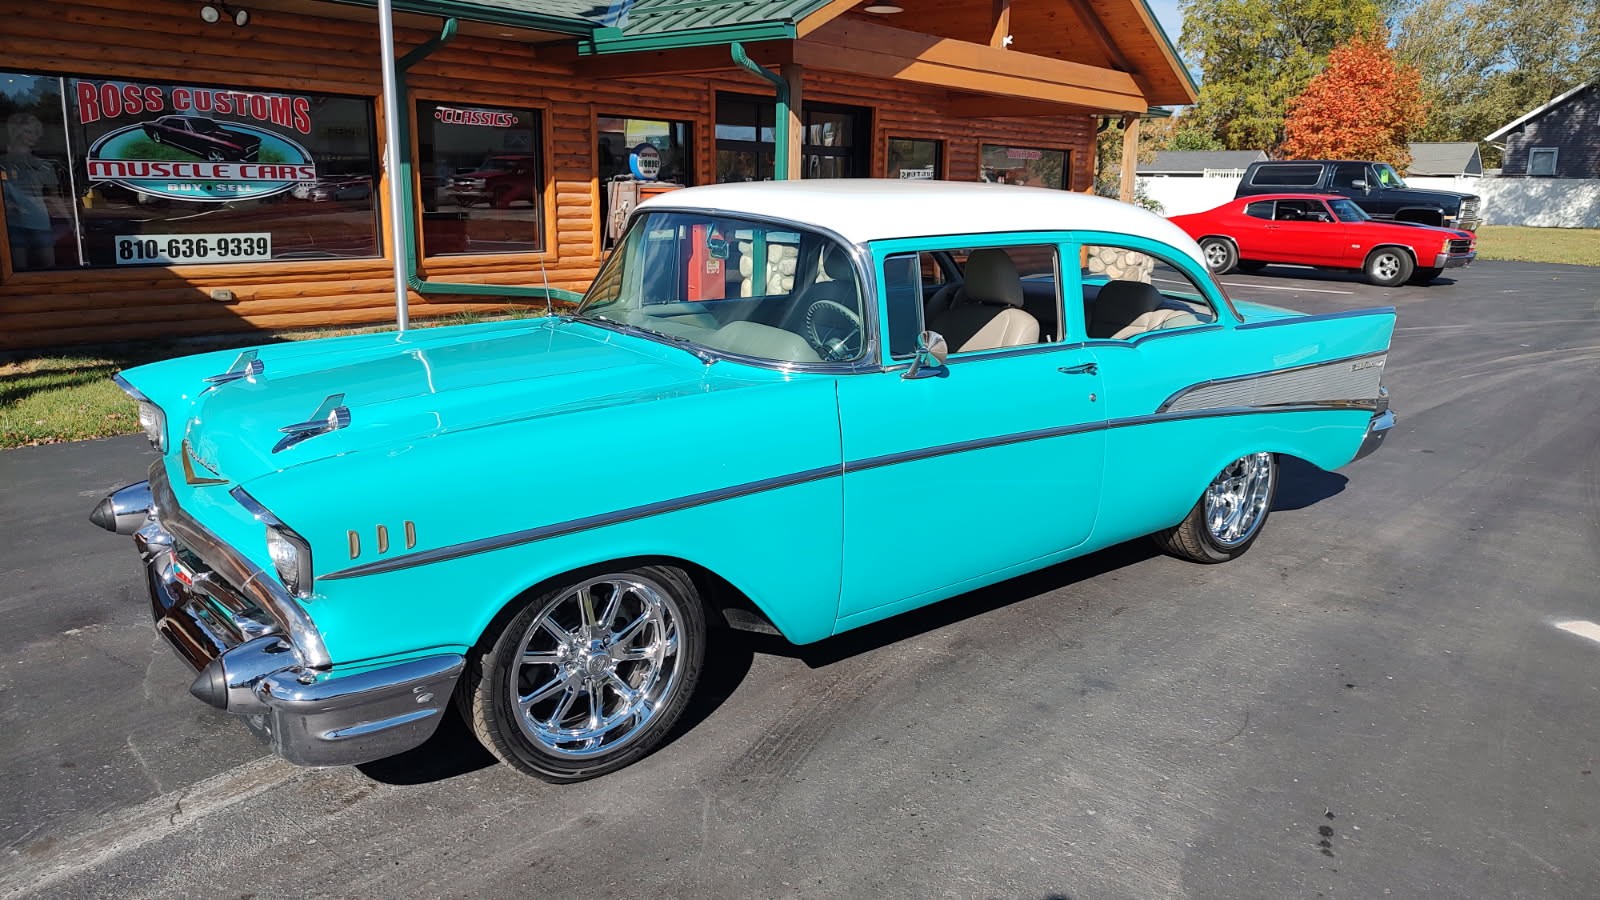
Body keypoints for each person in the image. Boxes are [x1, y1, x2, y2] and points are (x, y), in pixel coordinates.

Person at [2, 112, 62, 269]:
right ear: (16, 132)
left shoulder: (44, 166)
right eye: (28, 131)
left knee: (49, 268)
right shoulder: (3, 164)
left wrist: (73, 221)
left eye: (37, 131)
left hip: (40, 222)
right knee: (19, 272)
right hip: (13, 224)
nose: (34, 136)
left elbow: (55, 198)